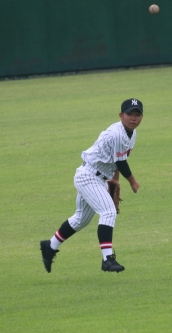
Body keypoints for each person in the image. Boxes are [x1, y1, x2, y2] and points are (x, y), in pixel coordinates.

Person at [40, 98, 143, 273]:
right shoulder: (117, 134)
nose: (133, 118)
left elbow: (117, 159)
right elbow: (121, 163)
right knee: (108, 212)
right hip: (88, 177)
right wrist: (132, 181)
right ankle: (107, 259)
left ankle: (50, 246)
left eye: (137, 114)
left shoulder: (131, 133)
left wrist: (115, 180)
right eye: (129, 114)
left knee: (81, 219)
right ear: (121, 115)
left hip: (96, 177)